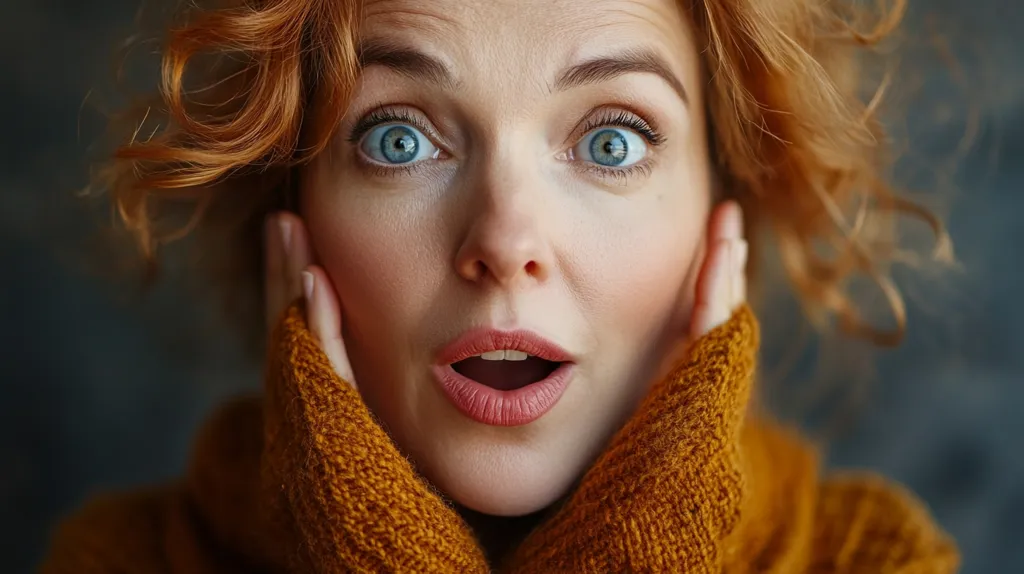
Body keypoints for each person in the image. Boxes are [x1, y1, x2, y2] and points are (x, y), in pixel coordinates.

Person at [41, 0, 960, 571]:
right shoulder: (116, 561)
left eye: (612, 142)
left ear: (723, 212)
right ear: (293, 206)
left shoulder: (871, 561)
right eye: (398, 138)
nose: (505, 241)